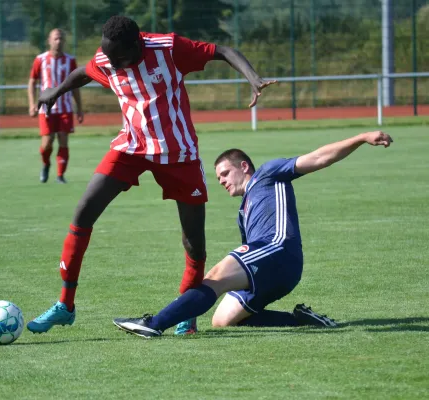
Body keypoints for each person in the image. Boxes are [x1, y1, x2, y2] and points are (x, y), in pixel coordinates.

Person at [26, 15, 276, 335]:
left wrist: (253, 77)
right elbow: (82, 73)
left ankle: (186, 313)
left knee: (194, 243)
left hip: (178, 154)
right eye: (109, 57)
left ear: (137, 45)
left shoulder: (169, 48)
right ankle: (65, 306)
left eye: (118, 58)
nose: (112, 64)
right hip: (130, 148)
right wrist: (55, 91)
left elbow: (224, 50)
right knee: (83, 213)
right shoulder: (108, 57)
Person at [113, 130, 394, 338]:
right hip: (274, 270)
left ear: (243, 167)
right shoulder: (243, 211)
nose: (221, 181)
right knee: (223, 320)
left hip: (278, 249)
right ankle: (301, 321)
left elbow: (319, 158)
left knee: (215, 277)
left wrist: (361, 137)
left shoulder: (268, 173)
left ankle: (155, 324)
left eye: (224, 173)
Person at [28, 28, 84, 184]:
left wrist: (79, 108)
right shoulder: (40, 59)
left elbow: (75, 85)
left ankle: (60, 175)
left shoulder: (70, 60)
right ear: (49, 40)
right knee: (47, 143)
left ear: (64, 41)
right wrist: (32, 104)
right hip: (46, 107)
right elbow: (32, 81)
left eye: (61, 39)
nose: (58, 41)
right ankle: (46, 164)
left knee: (63, 139)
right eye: (55, 38)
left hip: (65, 108)